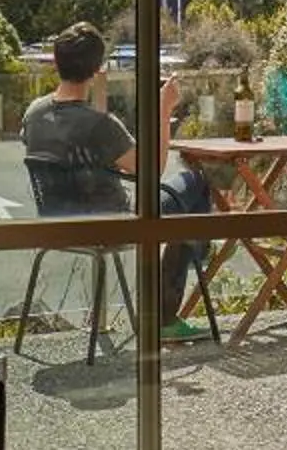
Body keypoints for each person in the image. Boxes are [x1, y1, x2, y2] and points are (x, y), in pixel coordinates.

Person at [19, 22, 208, 344]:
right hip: (112, 224)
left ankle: (197, 252)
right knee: (194, 184)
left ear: (56, 63)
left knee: (185, 206)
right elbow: (153, 170)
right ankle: (165, 313)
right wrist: (163, 111)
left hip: (58, 221)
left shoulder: (34, 113)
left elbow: (69, 142)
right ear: (96, 69)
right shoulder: (101, 125)